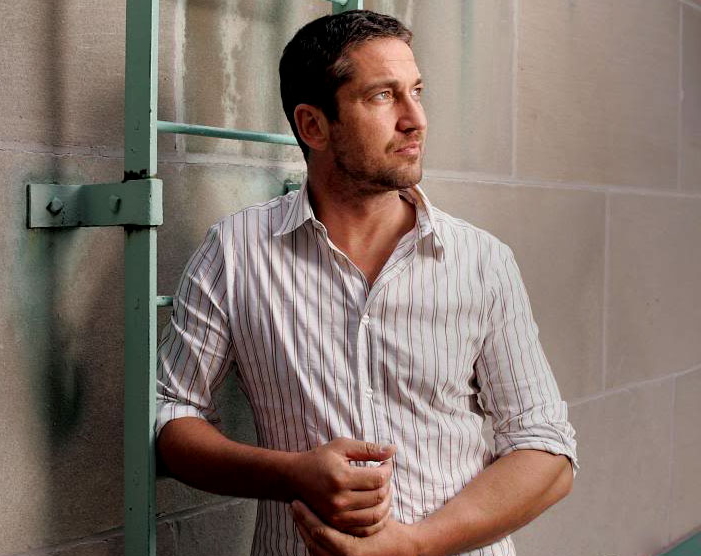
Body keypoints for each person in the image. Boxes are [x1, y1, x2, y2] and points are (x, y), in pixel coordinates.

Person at [155, 9, 578, 556]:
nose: (415, 119)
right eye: (383, 96)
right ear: (313, 126)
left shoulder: (482, 261)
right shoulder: (235, 252)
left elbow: (547, 449)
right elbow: (170, 413)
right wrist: (291, 474)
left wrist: (415, 545)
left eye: (416, 92)